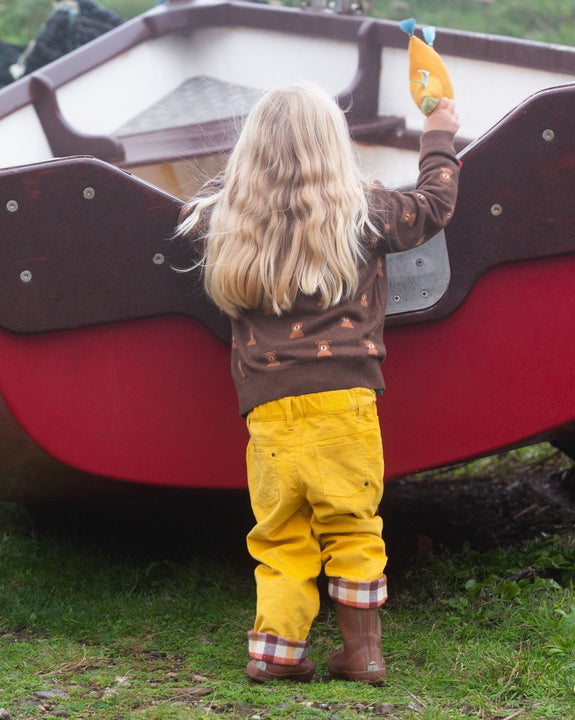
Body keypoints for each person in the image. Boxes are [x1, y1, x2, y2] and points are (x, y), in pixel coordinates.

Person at [176, 82, 460, 684]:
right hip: (346, 402)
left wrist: (248, 184)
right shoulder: (367, 212)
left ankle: (275, 655)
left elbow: (193, 205)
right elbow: (435, 204)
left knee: (279, 534)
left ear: (249, 154)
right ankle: (364, 654)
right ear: (335, 147)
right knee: (353, 523)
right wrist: (439, 133)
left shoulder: (224, 220)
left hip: (269, 413)